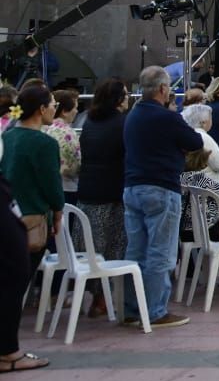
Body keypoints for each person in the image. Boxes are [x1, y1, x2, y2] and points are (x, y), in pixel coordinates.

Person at [120, 67, 203, 328]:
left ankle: (133, 309)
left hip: (133, 185)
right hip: (161, 186)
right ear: (163, 89)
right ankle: (155, 310)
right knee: (161, 251)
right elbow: (194, 142)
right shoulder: (167, 117)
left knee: (136, 250)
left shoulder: (133, 115)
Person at [2, 84, 66, 279]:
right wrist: (57, 213)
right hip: (32, 220)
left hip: (7, 215)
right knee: (17, 284)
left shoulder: (6, 136)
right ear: (42, 109)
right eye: (53, 104)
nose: (55, 109)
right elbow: (52, 185)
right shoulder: (45, 143)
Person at [2, 121, 47, 372]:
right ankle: (8, 351)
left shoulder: (9, 136)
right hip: (21, 212)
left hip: (12, 204)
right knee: (14, 276)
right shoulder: (41, 141)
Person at [76, 79, 129, 276]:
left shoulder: (89, 121)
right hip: (112, 191)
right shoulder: (122, 123)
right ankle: (101, 295)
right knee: (112, 245)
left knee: (89, 246)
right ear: (118, 99)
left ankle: (93, 292)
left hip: (88, 188)